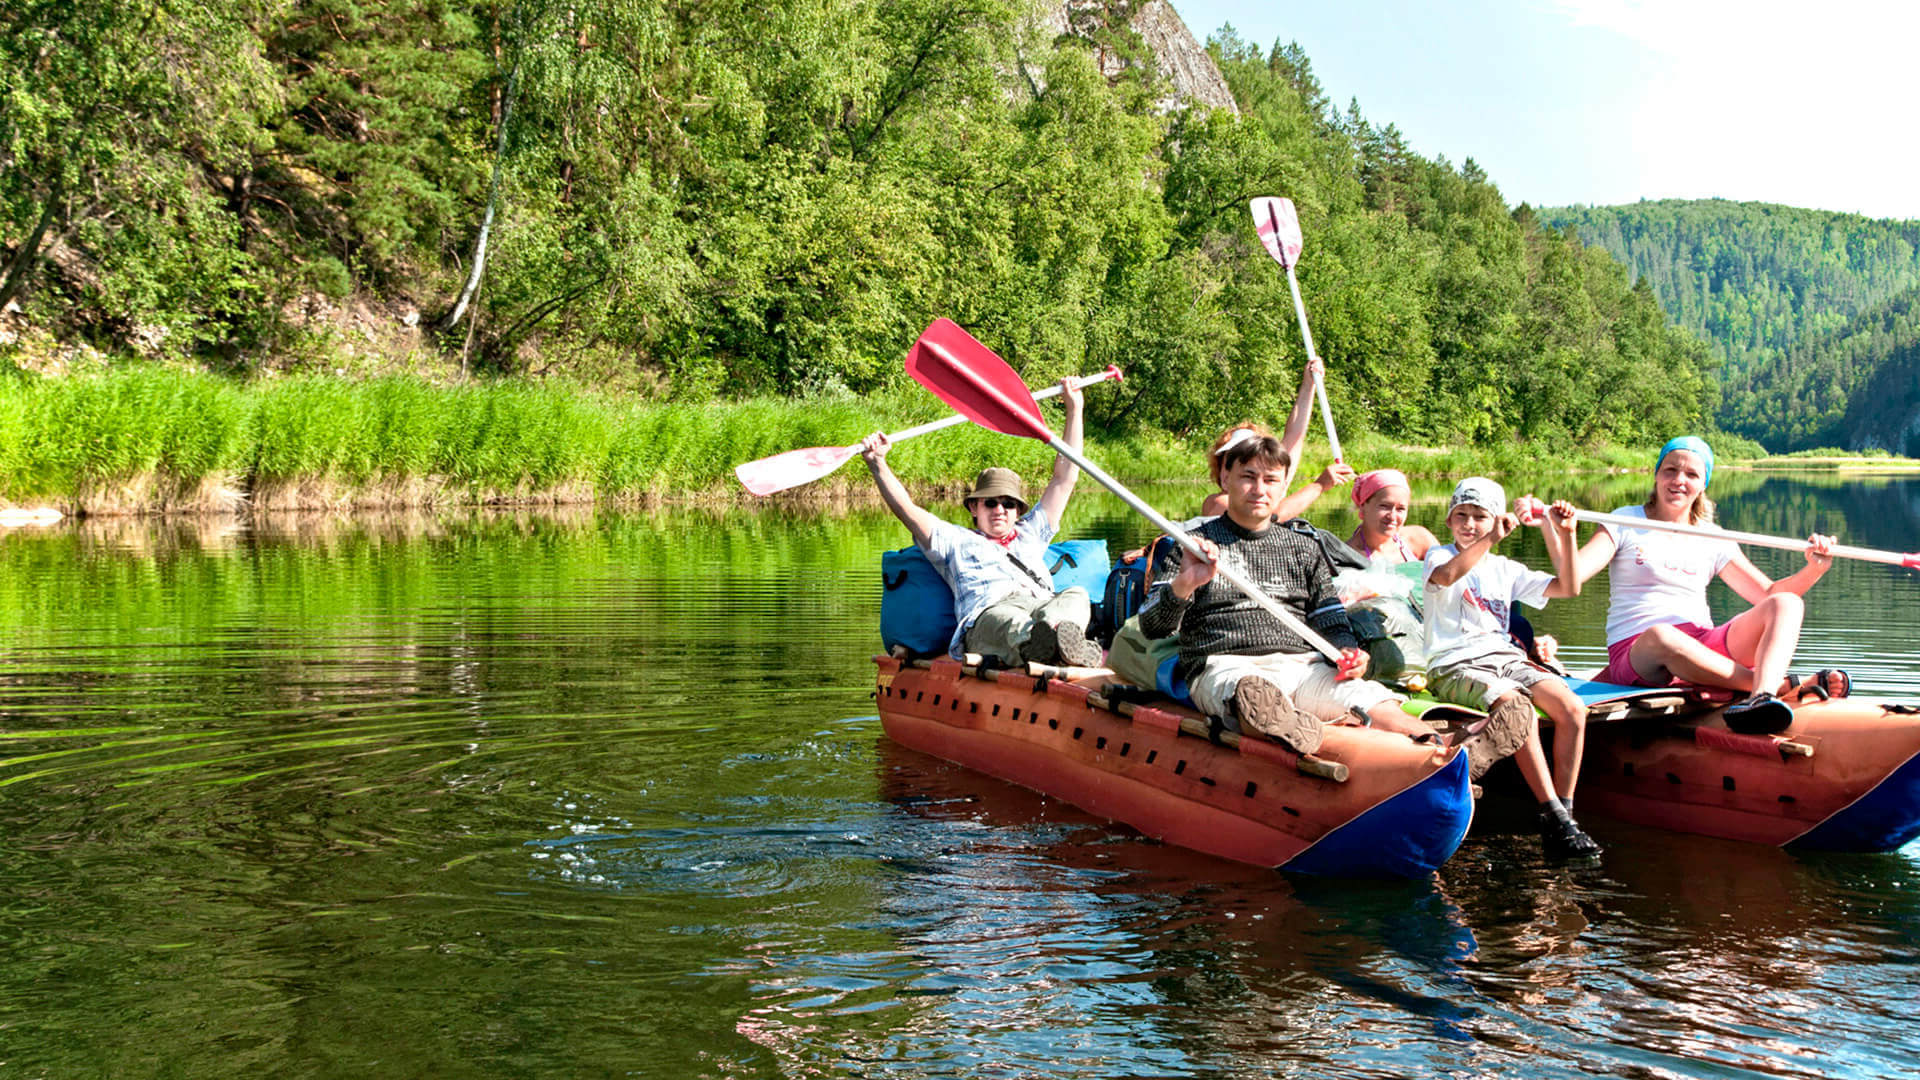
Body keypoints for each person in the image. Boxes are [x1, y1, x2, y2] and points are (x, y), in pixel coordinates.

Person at [1136, 431, 1434, 755]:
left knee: (1373, 701)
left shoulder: (1304, 548)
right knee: (1251, 697)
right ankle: (1290, 734)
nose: (1259, 490)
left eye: (1270, 480)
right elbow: (1153, 626)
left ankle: (1441, 749)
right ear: (1226, 477)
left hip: (1303, 667)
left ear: (1283, 485)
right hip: (1225, 667)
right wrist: (1186, 583)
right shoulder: (1192, 545)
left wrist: (1348, 653)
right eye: (1248, 477)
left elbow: (1331, 621)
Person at [1569, 435, 1844, 734]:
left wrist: (1815, 568)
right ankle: (1779, 685)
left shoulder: (1713, 536)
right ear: (1657, 474)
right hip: (1638, 652)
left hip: (1702, 645)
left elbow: (1766, 595)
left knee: (1788, 603)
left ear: (1703, 484)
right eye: (1670, 470)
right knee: (1662, 636)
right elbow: (1574, 574)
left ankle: (1760, 696)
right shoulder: (1623, 520)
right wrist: (1563, 533)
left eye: (1691, 474)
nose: (1679, 480)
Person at [861, 378, 1101, 668]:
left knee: (1076, 595)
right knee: (1013, 623)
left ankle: (1057, 638)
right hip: (989, 617)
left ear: (1017, 510)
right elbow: (906, 509)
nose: (1000, 509)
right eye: (990, 502)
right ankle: (1045, 645)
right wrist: (878, 464)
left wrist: (1075, 409)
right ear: (974, 507)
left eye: (1008, 503)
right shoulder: (954, 540)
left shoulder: (1031, 533)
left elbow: (1065, 479)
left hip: (1041, 607)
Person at [1422, 479, 1600, 859]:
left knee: (1572, 709)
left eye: (1480, 517)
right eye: (1462, 516)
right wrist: (1489, 539)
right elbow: (1448, 577)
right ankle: (1550, 812)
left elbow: (1569, 588)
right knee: (1518, 710)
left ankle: (1564, 813)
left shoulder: (1505, 568)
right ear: (1450, 519)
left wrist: (1566, 535)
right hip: (1455, 663)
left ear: (1494, 519)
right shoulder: (1438, 556)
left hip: (1506, 658)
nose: (1469, 524)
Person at [1346, 469, 1439, 567]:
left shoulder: (1420, 540)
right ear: (1363, 507)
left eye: (1400, 509)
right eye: (1384, 506)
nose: (1392, 516)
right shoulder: (1349, 555)